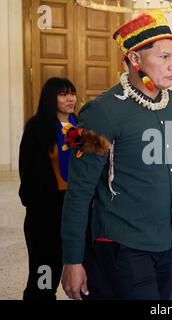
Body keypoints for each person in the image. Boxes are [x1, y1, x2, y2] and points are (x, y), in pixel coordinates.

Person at [60, 12, 172, 300]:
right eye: (164, 57)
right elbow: (79, 191)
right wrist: (72, 260)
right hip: (123, 246)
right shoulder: (102, 111)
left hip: (168, 243)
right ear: (135, 60)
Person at [18, 77, 77, 300]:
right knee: (45, 270)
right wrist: (36, 207)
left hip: (73, 206)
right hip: (46, 211)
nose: (70, 98)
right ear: (50, 97)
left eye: (72, 92)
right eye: (63, 93)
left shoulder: (76, 125)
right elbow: (28, 171)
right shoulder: (37, 127)